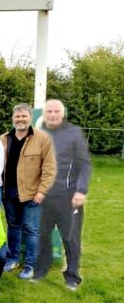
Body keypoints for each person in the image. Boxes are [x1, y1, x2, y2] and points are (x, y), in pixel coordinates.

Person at [34, 99, 92, 291]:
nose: (52, 115)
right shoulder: (38, 133)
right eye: (49, 111)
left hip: (68, 197)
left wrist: (81, 190)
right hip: (44, 196)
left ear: (62, 113)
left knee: (70, 238)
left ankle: (72, 277)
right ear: (45, 113)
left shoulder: (74, 133)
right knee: (43, 235)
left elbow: (85, 164)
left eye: (56, 111)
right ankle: (41, 271)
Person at [0, 103, 57, 279]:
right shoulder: (4, 139)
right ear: (13, 118)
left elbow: (50, 169)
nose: (20, 119)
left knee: (31, 229)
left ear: (30, 118)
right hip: (9, 193)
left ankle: (30, 265)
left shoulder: (42, 139)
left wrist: (42, 191)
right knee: (13, 227)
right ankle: (13, 259)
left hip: (32, 194)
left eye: (24, 116)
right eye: (17, 116)